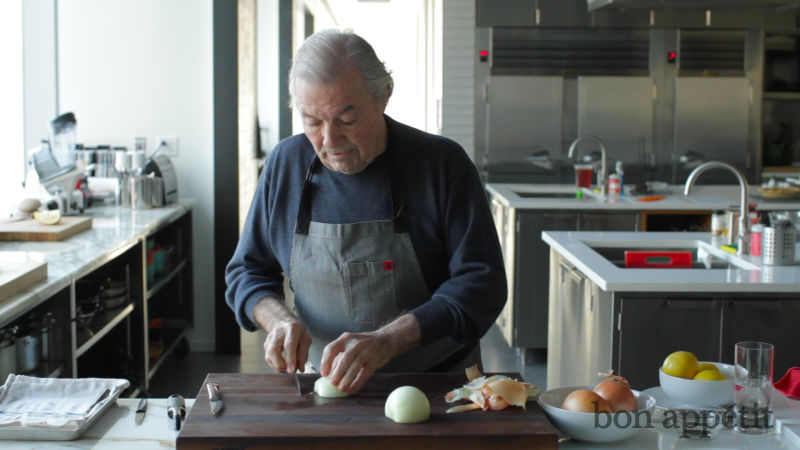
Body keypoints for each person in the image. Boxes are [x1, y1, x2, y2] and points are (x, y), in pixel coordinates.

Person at [225, 29, 506, 395]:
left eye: (347, 118)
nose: (329, 140)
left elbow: (482, 284)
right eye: (313, 121)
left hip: (440, 388)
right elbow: (247, 271)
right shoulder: (286, 165)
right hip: (326, 388)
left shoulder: (442, 164)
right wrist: (277, 320)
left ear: (383, 97)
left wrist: (388, 340)